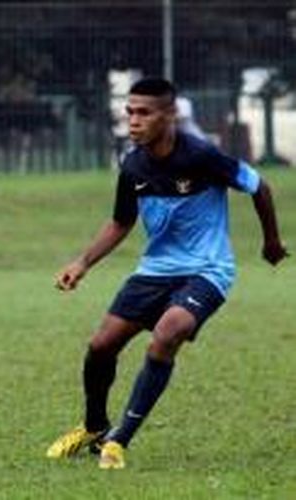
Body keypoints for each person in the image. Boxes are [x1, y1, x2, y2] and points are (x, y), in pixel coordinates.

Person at [46, 77, 288, 470]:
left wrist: (271, 242)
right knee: (101, 346)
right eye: (129, 112)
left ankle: (118, 440)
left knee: (167, 333)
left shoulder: (202, 156)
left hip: (207, 270)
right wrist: (82, 263)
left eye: (144, 113)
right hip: (154, 271)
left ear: (170, 115)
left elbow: (260, 187)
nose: (134, 121)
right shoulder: (133, 164)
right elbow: (121, 222)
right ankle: (94, 427)